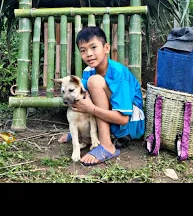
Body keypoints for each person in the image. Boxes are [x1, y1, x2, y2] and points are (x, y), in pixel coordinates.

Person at [58, 26, 145, 166]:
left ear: (106, 48)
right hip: (109, 118)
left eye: (93, 47)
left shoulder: (118, 74)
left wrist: (91, 109)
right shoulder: (88, 71)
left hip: (129, 125)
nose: (89, 54)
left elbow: (123, 119)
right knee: (84, 87)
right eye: (83, 50)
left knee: (94, 82)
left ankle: (107, 145)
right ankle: (83, 133)